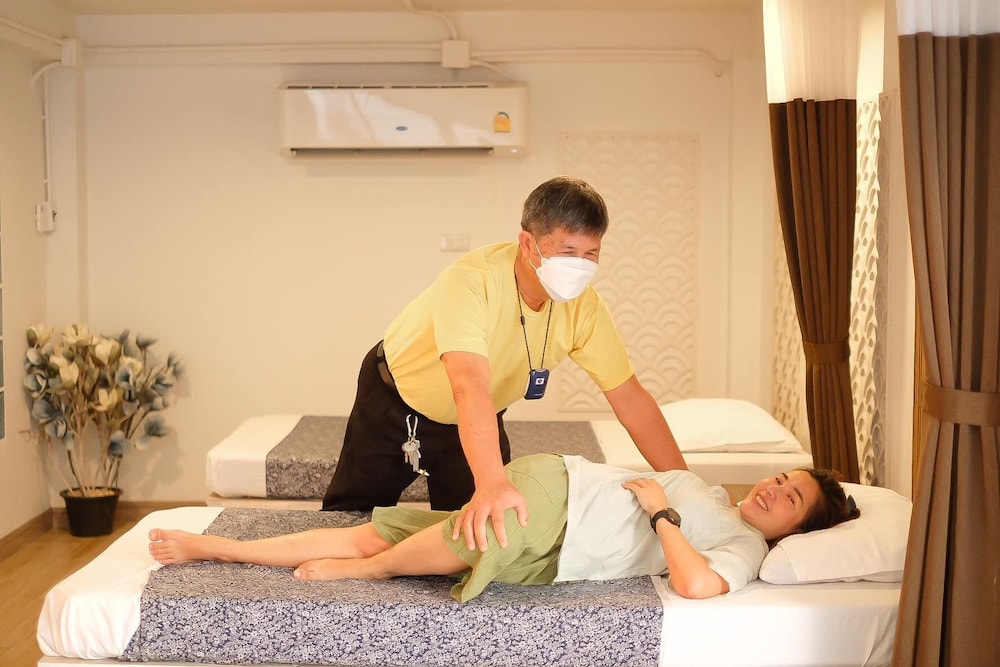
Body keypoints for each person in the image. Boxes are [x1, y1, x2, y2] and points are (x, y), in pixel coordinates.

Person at [323, 176, 687, 552]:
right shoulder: (471, 281)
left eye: (590, 254)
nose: (579, 266)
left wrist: (686, 486)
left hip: (475, 417)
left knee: (478, 539)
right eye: (567, 252)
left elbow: (630, 399)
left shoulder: (585, 307)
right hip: (395, 401)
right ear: (528, 243)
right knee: (347, 521)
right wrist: (492, 480)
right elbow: (468, 385)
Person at [149, 453, 859, 602]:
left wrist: (660, 512)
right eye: (781, 476)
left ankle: (221, 548)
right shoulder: (715, 495)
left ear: (794, 530)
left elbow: (697, 585)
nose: (773, 487)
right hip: (557, 488)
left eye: (791, 496)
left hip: (557, 548)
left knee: (384, 534)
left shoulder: (745, 547)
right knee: (422, 543)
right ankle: (360, 569)